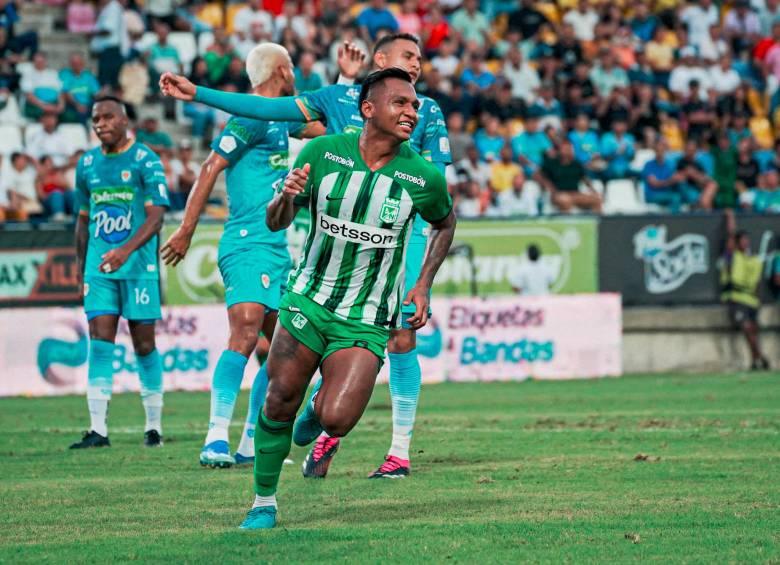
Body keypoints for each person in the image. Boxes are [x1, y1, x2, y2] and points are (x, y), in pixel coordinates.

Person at [159, 33, 452, 481]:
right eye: (408, 56)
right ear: (380, 61)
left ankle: (394, 449)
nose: (416, 64)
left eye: (419, 59)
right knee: (277, 356)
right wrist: (197, 93)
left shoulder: (424, 111)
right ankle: (258, 440)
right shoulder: (336, 101)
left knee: (401, 338)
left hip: (389, 245)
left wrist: (421, 278)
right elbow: (266, 109)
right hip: (317, 253)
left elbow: (433, 191)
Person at [249, 68, 454, 528]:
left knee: (337, 420)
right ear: (368, 109)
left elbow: (445, 222)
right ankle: (263, 502)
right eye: (400, 103)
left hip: (366, 316)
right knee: (279, 398)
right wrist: (285, 196)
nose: (411, 112)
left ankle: (315, 413)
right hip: (308, 299)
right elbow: (276, 221)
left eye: (415, 105)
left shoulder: (420, 177)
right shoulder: (322, 152)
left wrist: (421, 284)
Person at [162, 43, 312, 468]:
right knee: (245, 332)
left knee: (283, 347)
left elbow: (330, 127)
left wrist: (342, 82)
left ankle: (250, 442)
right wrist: (187, 229)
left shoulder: (280, 120)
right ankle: (214, 439)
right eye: (293, 68)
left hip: (277, 247)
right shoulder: (249, 116)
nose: (297, 74)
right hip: (246, 241)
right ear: (282, 70)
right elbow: (211, 166)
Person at [69, 96, 170, 449]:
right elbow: (83, 220)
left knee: (144, 345)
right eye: (95, 119)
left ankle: (153, 427)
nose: (100, 124)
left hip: (138, 267)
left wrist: (125, 251)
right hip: (99, 268)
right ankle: (98, 429)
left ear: (125, 120)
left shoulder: (145, 160)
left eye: (108, 117)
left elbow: (157, 217)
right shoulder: (86, 164)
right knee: (100, 340)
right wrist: (81, 269)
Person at [720, 210, 770, 370]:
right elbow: (730, 238)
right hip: (737, 299)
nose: (744, 242)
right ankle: (760, 357)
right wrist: (731, 219)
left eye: (746, 240)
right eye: (741, 240)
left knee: (753, 330)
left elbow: (756, 284)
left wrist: (758, 300)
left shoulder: (754, 260)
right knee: (747, 328)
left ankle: (756, 360)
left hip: (751, 301)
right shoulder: (733, 256)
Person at [537, 140, 602, 213]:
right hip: (558, 194)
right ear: (560, 150)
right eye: (566, 149)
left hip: (575, 193)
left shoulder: (576, 164)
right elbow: (538, 175)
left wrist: (593, 190)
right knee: (565, 200)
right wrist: (549, 187)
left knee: (596, 199)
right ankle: (567, 223)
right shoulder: (551, 163)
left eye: (570, 149)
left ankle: (598, 222)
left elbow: (584, 178)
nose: (568, 151)